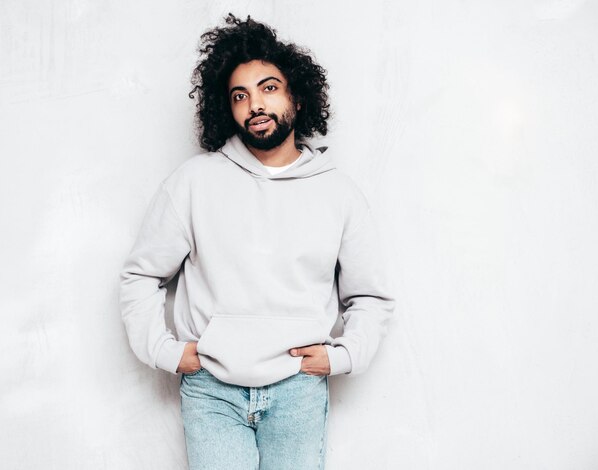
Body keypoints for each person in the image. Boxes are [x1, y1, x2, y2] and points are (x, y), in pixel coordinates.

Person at [119, 14, 395, 470]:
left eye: (269, 88)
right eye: (240, 96)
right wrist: (166, 351)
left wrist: (342, 357)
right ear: (225, 108)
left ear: (297, 96)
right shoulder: (193, 183)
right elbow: (140, 275)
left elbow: (371, 296)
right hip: (212, 391)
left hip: (298, 389)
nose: (255, 105)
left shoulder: (339, 194)